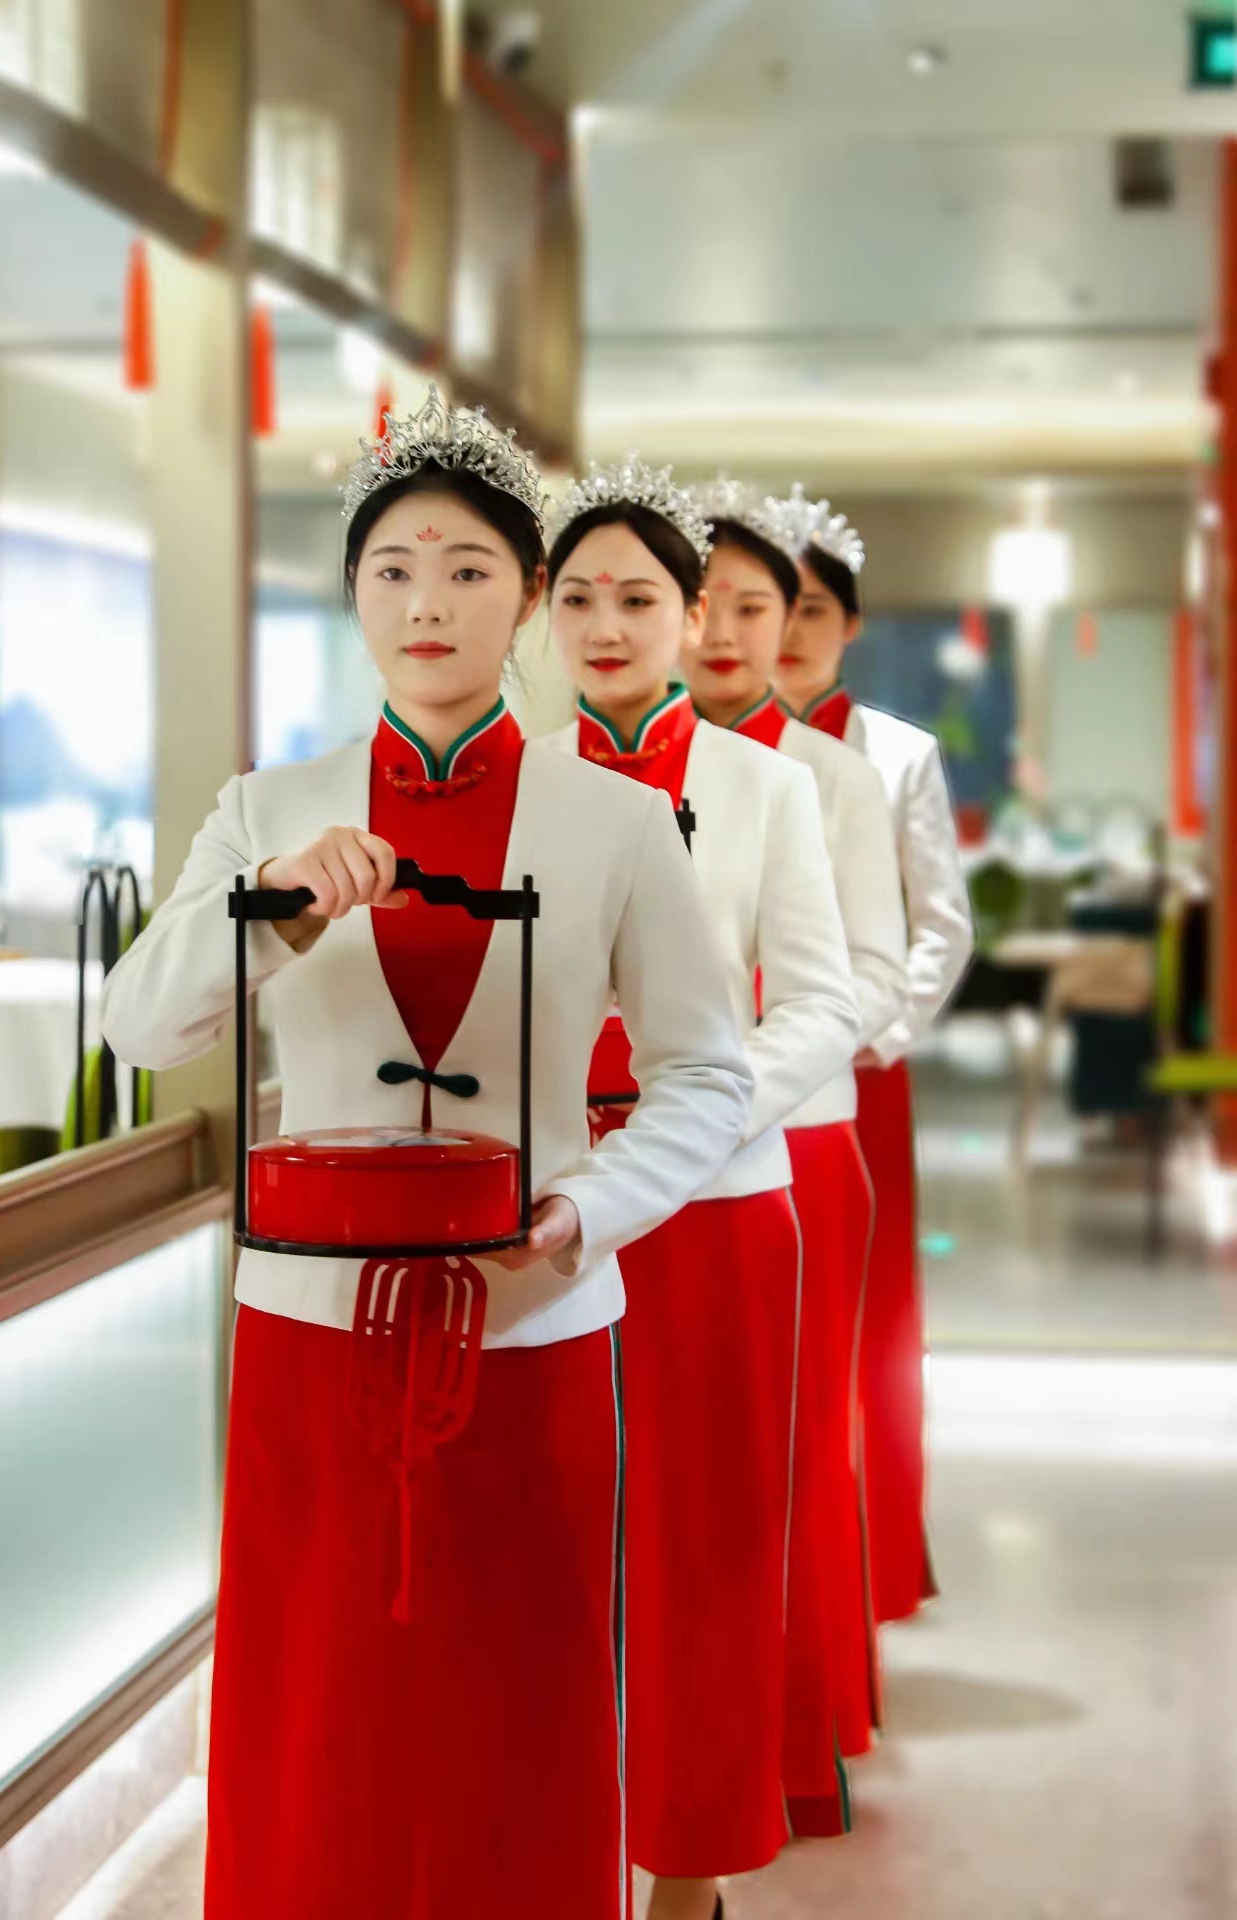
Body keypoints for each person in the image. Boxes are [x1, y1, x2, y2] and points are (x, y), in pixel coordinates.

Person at [100, 390, 757, 1920]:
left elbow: (707, 1076)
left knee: (519, 1709)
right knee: (317, 1713)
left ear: (525, 598)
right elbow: (138, 1025)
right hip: (311, 1333)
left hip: (533, 1325)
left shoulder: (618, 822)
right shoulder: (265, 811)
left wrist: (586, 1209)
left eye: (468, 570)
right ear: (352, 595)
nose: (427, 603)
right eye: (392, 569)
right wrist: (269, 909)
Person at [544, 458, 860, 1920]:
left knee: (706, 1558)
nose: (609, 628)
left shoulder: (765, 787)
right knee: (553, 1558)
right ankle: (561, 1851)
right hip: (555, 1217)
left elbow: (823, 1000)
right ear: (546, 617)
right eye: (579, 599)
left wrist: (702, 1106)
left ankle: (685, 1879)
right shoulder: (523, 784)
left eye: (640, 599)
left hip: (722, 1215)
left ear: (690, 617)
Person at [680, 481, 908, 1827]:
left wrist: (727, 1088)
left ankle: (788, 1738)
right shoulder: (602, 769)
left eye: (752, 607)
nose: (719, 632)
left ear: (791, 624)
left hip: (796, 1147)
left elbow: (871, 977)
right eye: (698, 602)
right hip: (634, 1166)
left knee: (795, 1452)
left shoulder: (832, 782)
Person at [773, 486, 974, 1627]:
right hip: (742, 1072)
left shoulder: (897, 755)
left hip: (859, 1071)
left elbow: (938, 923)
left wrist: (872, 1036)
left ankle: (874, 1554)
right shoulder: (711, 746)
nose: (791, 630)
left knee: (870, 1323)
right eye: (774, 605)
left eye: (815, 608)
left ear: (848, 623)